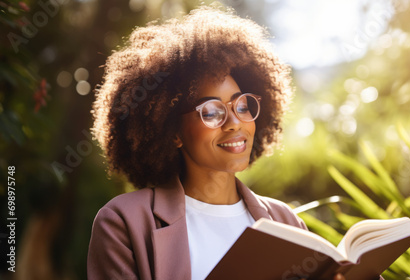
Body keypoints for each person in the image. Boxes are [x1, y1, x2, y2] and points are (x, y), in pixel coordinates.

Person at [87, 5, 351, 280]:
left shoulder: (283, 219)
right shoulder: (123, 222)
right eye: (211, 112)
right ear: (173, 132)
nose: (235, 122)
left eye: (242, 105)